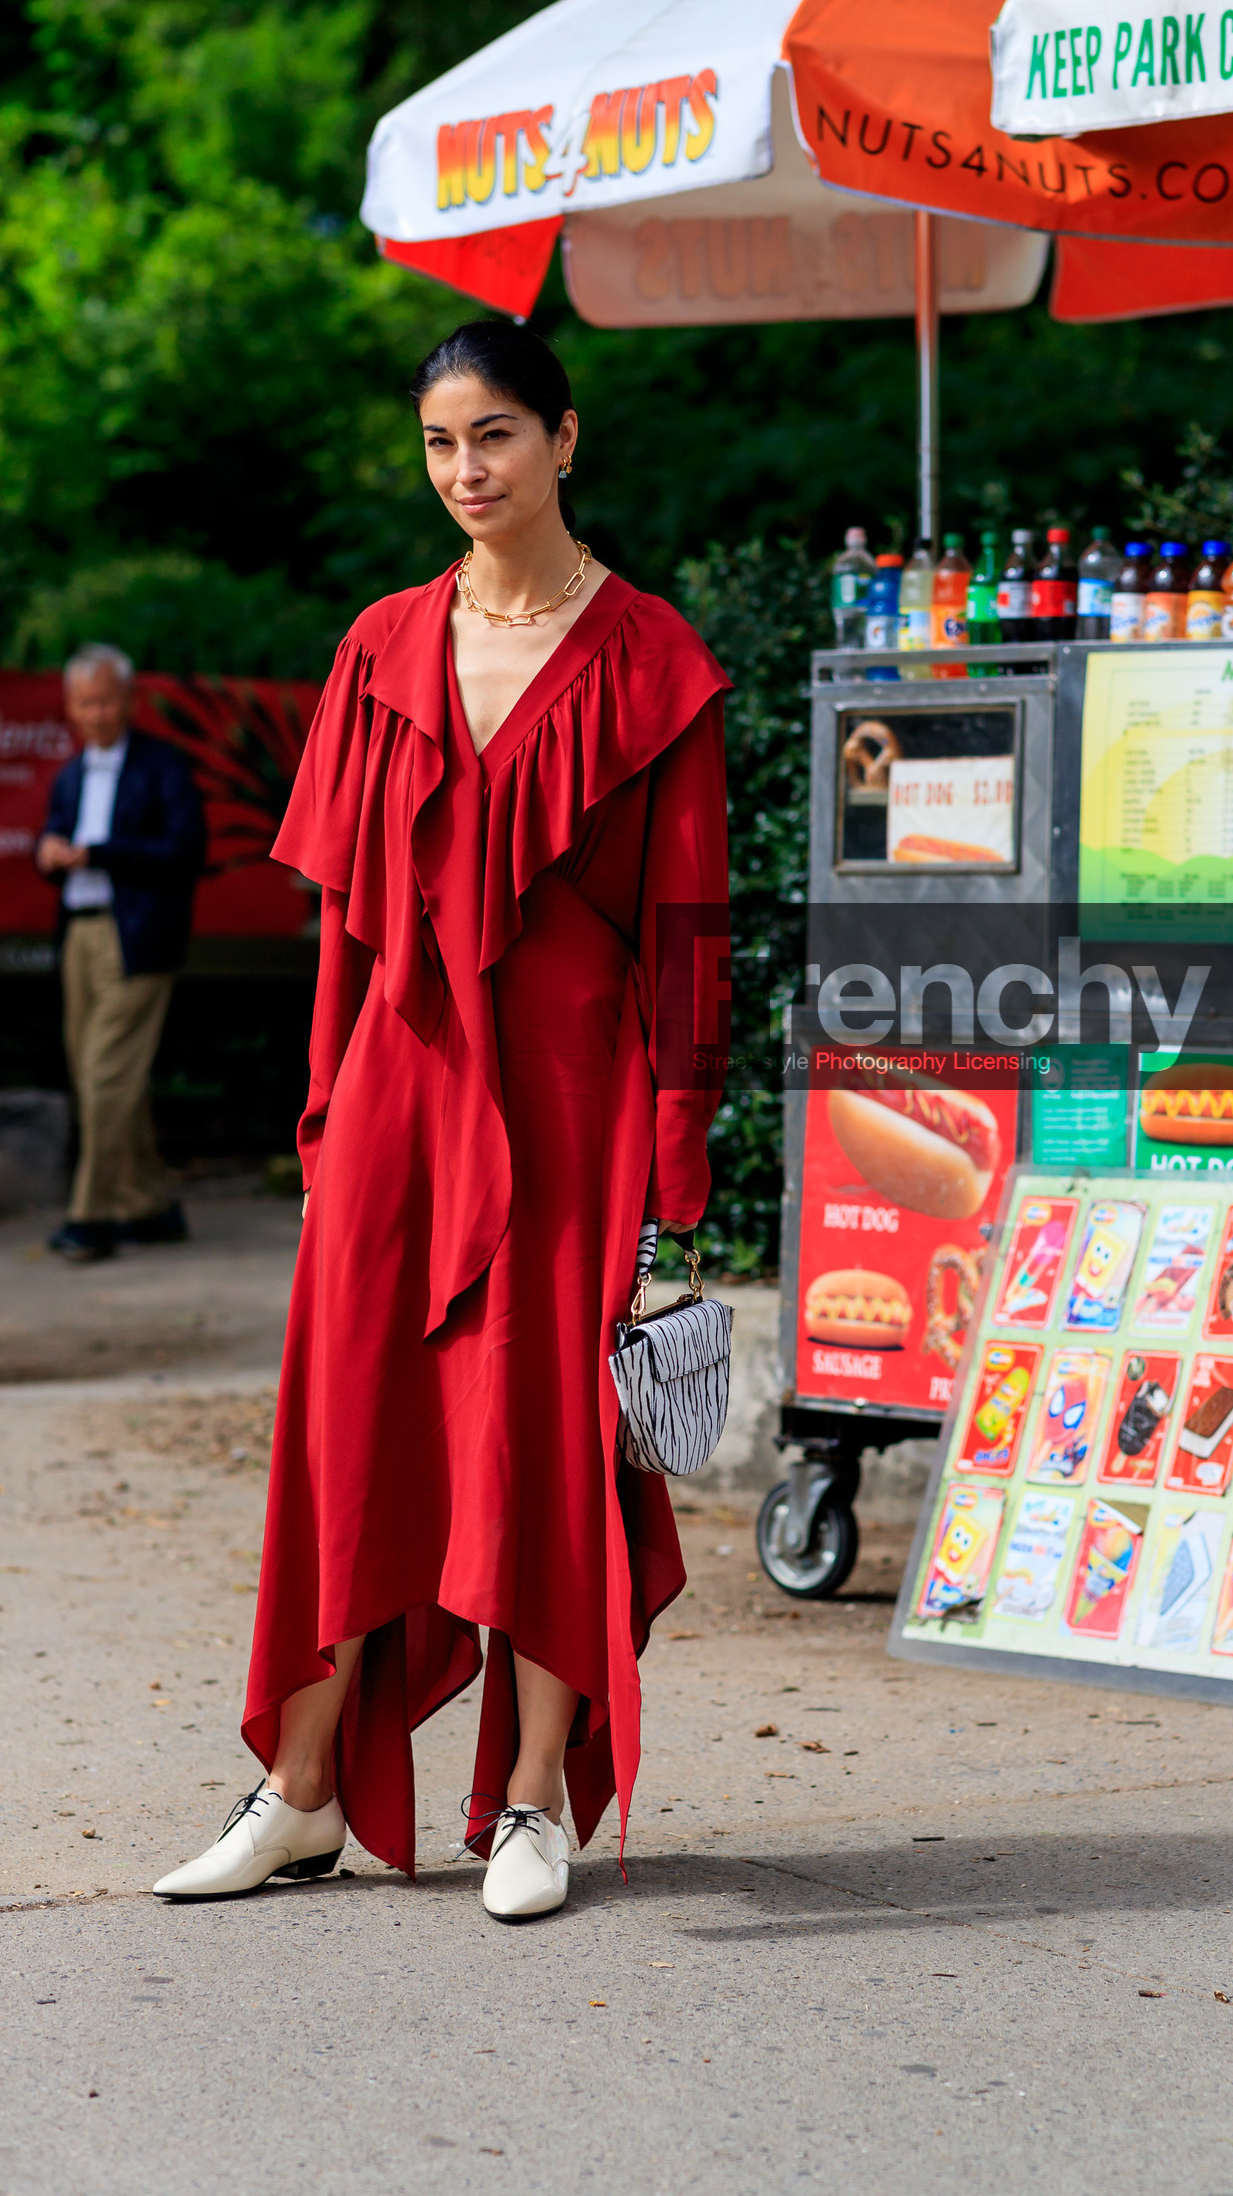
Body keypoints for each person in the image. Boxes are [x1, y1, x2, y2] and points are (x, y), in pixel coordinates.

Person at [154, 322, 730, 1920]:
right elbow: (341, 919)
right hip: (395, 1093)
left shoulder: (655, 658)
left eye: (495, 435)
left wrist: (676, 1154)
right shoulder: (380, 644)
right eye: (438, 443)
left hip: (571, 1096)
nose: (465, 471)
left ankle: (530, 1795)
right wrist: (324, 1114)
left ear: (564, 437)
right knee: (356, 1423)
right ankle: (301, 1788)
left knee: (546, 1434)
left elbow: (692, 932)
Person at [35, 644, 205, 1263]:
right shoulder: (71, 773)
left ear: (129, 701)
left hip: (138, 937)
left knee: (106, 1075)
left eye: (106, 700)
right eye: (85, 702)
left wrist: (102, 852)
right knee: (97, 1076)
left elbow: (186, 850)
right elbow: (55, 834)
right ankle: (147, 1204)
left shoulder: (162, 765)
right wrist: (49, 852)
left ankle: (92, 1214)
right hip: (80, 936)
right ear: (70, 707)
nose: (96, 713)